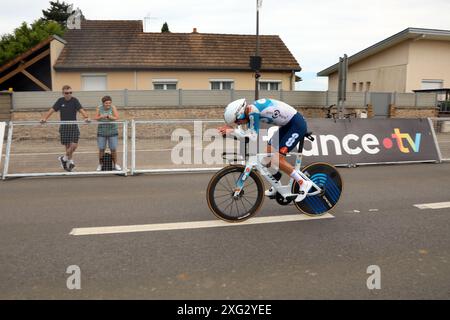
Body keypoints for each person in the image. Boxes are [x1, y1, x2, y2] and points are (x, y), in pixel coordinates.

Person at [218, 98, 313, 202]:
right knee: (267, 154)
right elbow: (248, 136)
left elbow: (252, 136)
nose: (238, 124)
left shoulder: (253, 111)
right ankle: (277, 184)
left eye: (237, 121)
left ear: (240, 114)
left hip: (296, 125)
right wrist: (232, 133)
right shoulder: (250, 112)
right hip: (287, 126)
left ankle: (303, 183)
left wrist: (232, 131)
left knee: (276, 159)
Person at [40, 85, 90, 172]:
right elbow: (51, 110)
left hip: (73, 126)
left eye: (70, 92)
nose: (69, 94)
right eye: (67, 93)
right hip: (64, 126)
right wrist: (45, 118)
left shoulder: (75, 100)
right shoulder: (60, 101)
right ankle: (69, 162)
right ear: (63, 93)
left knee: (74, 145)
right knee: (67, 146)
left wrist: (86, 117)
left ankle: (63, 158)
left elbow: (81, 110)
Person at [94, 95, 121, 171]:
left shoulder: (113, 107)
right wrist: (102, 116)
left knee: (113, 149)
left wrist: (109, 117)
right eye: (106, 103)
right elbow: (95, 118)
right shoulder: (99, 108)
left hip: (112, 131)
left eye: (109, 103)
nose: (108, 104)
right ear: (103, 103)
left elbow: (117, 117)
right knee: (101, 149)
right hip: (101, 131)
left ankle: (115, 164)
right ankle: (100, 164)